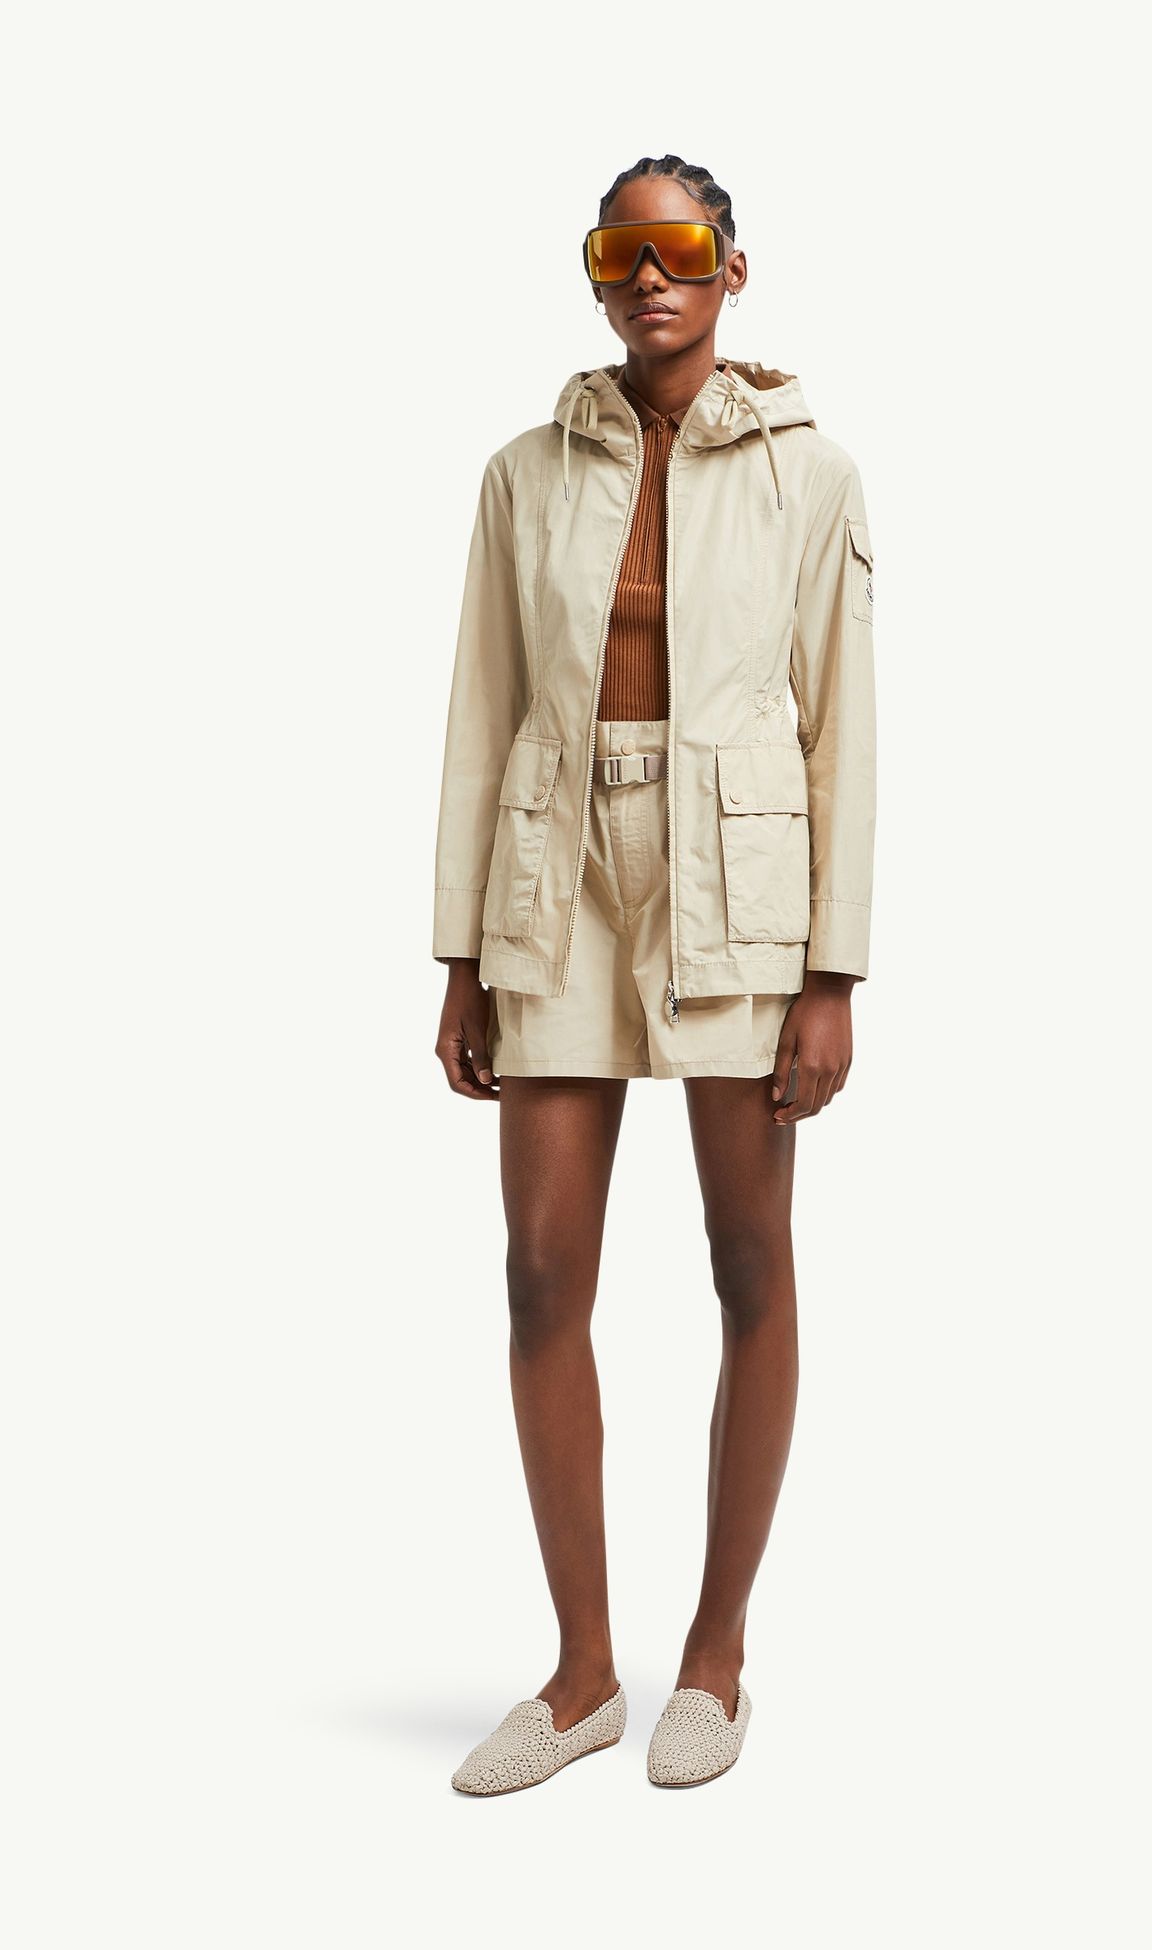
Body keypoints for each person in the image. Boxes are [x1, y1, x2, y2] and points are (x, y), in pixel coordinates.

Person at [432, 153, 877, 1793]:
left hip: (737, 890)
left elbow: (843, 723)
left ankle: (718, 1656)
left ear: (733, 269)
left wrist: (833, 971)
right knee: (542, 1271)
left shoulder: (811, 474)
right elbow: (483, 708)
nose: (649, 277)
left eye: (680, 246)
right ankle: (581, 1676)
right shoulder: (524, 472)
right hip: (554, 878)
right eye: (619, 251)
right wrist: (462, 953)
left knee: (748, 1258)